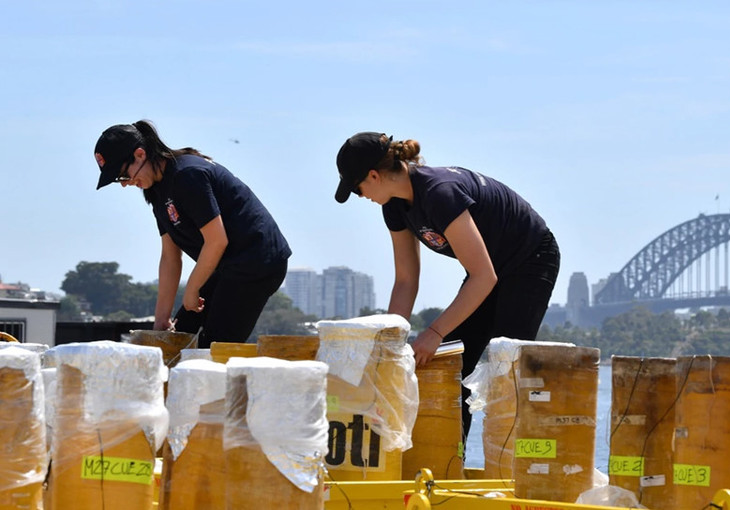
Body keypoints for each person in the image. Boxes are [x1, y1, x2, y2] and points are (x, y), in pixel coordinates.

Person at [333, 132, 560, 437]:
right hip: (487, 269)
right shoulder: (394, 206)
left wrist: (435, 332)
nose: (361, 197)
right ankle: (452, 459)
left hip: (530, 258)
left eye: (357, 189)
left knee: (507, 365)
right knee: (450, 366)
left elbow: (484, 277)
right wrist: (389, 344)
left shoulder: (440, 193)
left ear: (373, 176)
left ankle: (513, 461)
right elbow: (406, 280)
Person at [94, 120, 292, 348]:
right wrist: (161, 320)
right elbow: (170, 257)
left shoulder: (188, 175)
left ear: (140, 155)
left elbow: (216, 240)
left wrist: (193, 288)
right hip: (227, 264)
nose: (125, 184)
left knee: (213, 346)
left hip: (257, 260)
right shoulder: (157, 191)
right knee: (178, 335)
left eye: (122, 176)